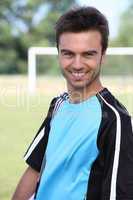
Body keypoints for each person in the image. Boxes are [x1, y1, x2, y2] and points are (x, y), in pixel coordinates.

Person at [12, 6, 133, 200]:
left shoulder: (116, 120)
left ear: (103, 55)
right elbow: (35, 169)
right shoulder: (58, 105)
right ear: (58, 53)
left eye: (88, 54)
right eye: (68, 53)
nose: (77, 64)